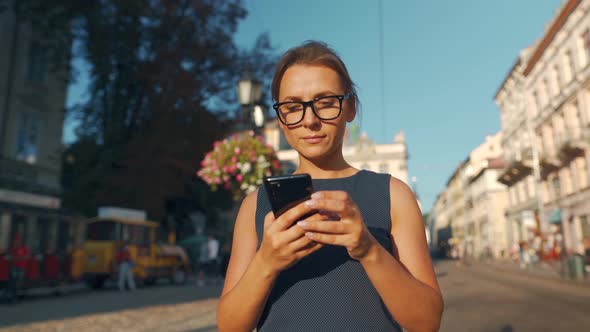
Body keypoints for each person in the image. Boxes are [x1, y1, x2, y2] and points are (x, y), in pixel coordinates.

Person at [217, 41, 443, 331]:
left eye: (325, 103)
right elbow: (228, 326)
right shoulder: (255, 205)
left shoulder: (393, 195)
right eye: (293, 107)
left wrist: (367, 248)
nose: (309, 120)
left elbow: (427, 322)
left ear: (349, 108)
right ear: (281, 119)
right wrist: (266, 262)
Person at [8, 234, 30, 300]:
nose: (16, 242)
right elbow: (10, 257)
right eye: (15, 241)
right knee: (13, 281)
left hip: (21, 268)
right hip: (14, 267)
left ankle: (16, 295)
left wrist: (19, 258)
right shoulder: (13, 249)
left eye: (17, 241)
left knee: (18, 282)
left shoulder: (24, 248)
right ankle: (12, 295)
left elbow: (27, 256)